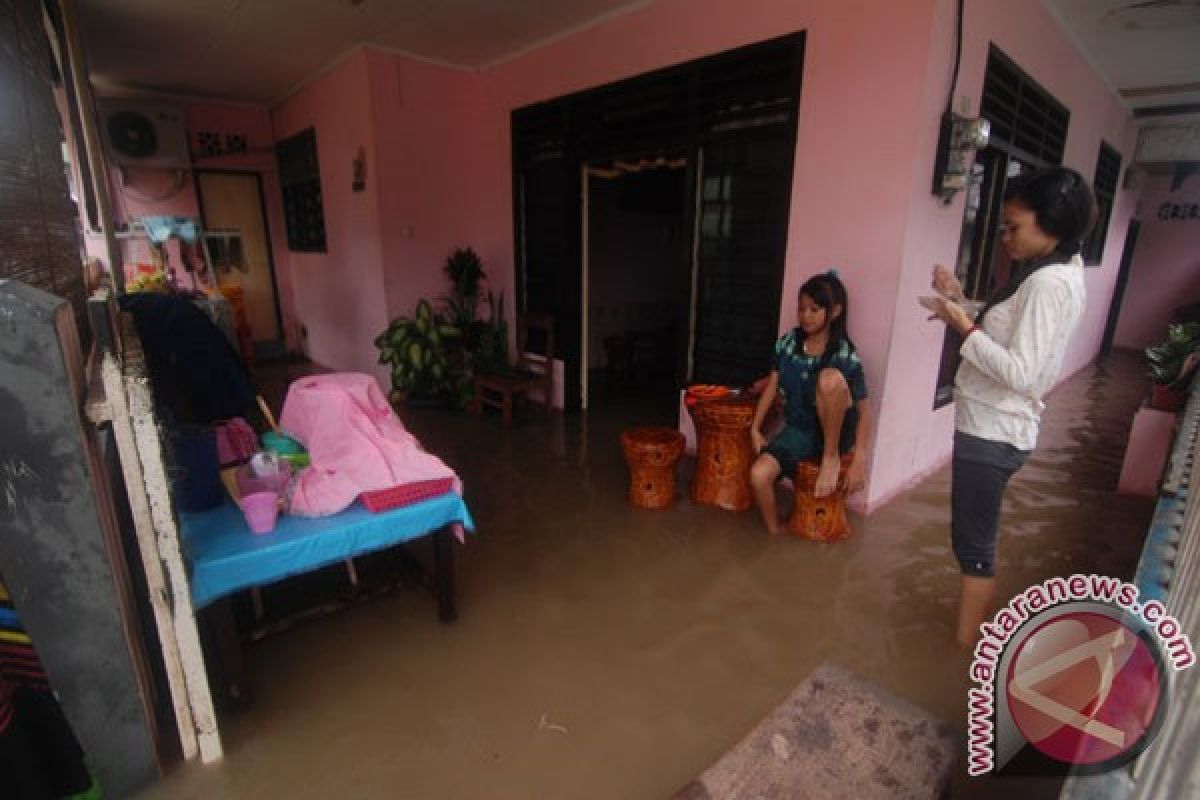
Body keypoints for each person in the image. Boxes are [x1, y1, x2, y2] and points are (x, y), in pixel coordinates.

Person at [924, 165, 1095, 647]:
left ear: (1052, 225)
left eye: (1014, 226)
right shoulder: (1052, 272)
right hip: (997, 428)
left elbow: (1023, 373)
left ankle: (965, 652)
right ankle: (975, 634)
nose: (1004, 236)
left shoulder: (1047, 283)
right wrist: (960, 301)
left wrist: (964, 327)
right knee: (974, 541)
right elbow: (1013, 330)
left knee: (974, 548)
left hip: (993, 432)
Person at [749, 271, 871, 535]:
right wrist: (755, 428)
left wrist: (859, 456)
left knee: (828, 379)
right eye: (802, 308)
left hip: (835, 435)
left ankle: (830, 458)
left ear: (835, 311)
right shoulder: (788, 343)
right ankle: (774, 534)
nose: (806, 315)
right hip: (799, 431)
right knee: (758, 476)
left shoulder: (844, 354)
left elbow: (864, 411)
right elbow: (772, 385)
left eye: (814, 309)